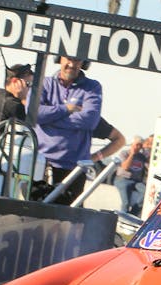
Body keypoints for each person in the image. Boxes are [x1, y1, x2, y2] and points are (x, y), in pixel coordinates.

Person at [34, 56, 102, 205]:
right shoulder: (44, 83)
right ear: (59, 59)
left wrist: (50, 118)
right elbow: (35, 113)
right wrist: (67, 109)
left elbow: (90, 120)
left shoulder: (92, 87)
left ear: (84, 63)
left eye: (77, 60)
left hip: (73, 170)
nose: (71, 64)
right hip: (40, 164)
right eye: (68, 59)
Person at [0, 63, 34, 148]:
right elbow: (30, 129)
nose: (30, 90)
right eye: (29, 84)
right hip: (1, 153)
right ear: (15, 82)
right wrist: (25, 99)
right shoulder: (13, 105)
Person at [115, 134, 152, 216]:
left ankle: (133, 214)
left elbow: (149, 167)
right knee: (126, 202)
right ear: (132, 144)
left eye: (140, 145)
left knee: (146, 194)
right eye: (136, 145)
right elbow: (125, 167)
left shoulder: (141, 156)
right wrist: (132, 154)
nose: (138, 147)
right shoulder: (124, 153)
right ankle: (123, 217)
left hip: (136, 181)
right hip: (123, 179)